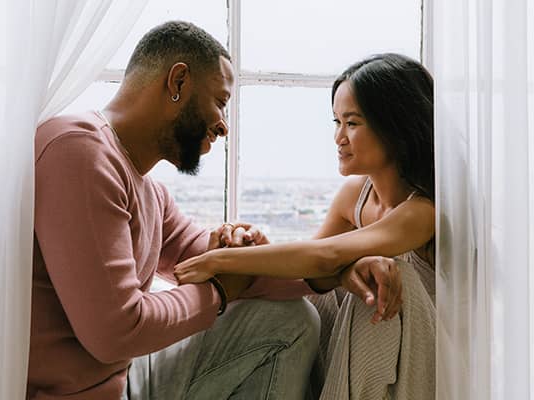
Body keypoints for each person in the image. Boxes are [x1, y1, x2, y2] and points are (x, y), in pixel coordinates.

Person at [28, 21, 323, 400]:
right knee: (288, 323)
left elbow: (213, 259)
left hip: (125, 377)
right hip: (75, 392)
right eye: (220, 101)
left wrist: (331, 272)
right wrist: (216, 291)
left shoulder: (150, 191)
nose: (223, 126)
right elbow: (115, 332)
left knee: (290, 319)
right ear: (178, 82)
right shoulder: (79, 151)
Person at [175, 53, 436, 399]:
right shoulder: (355, 197)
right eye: (336, 122)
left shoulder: (422, 211)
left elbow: (325, 255)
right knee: (316, 292)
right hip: (363, 370)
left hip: (421, 372)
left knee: (379, 281)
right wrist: (254, 247)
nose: (339, 138)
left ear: (395, 128)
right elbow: (311, 277)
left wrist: (218, 262)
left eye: (353, 123)